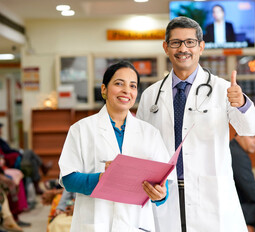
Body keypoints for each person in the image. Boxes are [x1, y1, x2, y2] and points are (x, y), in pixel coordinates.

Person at [136, 16, 255, 232]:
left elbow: (249, 129)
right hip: (166, 193)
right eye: (175, 42)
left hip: (210, 193)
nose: (183, 48)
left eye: (190, 42)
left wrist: (240, 102)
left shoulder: (223, 89)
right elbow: (140, 145)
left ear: (201, 47)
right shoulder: (150, 96)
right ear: (166, 47)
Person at [58, 60, 172, 232]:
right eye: (119, 84)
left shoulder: (150, 133)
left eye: (133, 86)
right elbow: (68, 179)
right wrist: (101, 179)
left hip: (137, 223)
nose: (127, 90)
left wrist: (161, 196)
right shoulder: (81, 129)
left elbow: (163, 185)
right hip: (96, 222)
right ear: (104, 89)